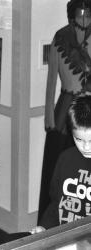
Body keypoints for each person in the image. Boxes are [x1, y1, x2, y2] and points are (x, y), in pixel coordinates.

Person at [38, 0, 91, 222]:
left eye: (88, 14)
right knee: (56, 169)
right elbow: (51, 81)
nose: (84, 19)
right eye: (80, 14)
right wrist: (49, 116)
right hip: (64, 112)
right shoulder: (60, 38)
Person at [32, 94, 91, 233]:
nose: (86, 147)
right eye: (79, 140)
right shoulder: (65, 159)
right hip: (65, 239)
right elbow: (56, 203)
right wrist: (44, 226)